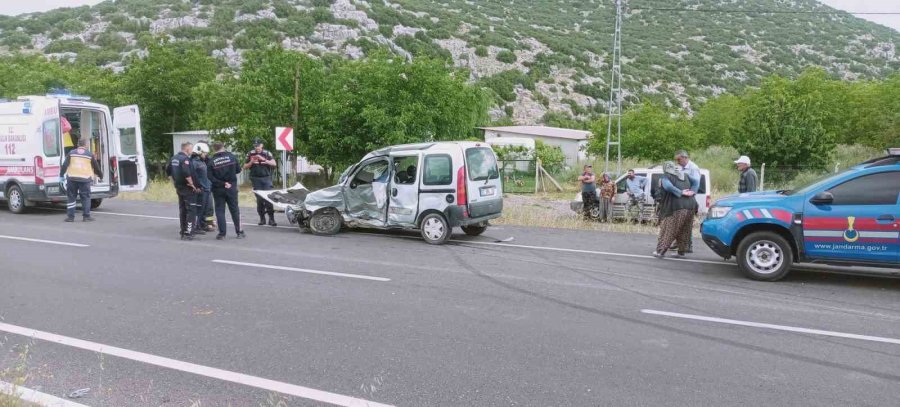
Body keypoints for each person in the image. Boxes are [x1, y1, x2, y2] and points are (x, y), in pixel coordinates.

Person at [653, 161, 699, 258]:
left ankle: (660, 251)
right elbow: (697, 182)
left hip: (675, 207)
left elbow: (668, 186)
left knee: (668, 229)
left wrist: (680, 192)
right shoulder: (685, 175)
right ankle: (681, 252)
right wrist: (693, 191)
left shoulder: (666, 176)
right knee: (684, 230)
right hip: (691, 206)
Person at [209, 142, 246, 240]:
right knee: (235, 210)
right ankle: (240, 232)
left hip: (218, 189)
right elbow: (238, 170)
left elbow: (210, 177)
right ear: (223, 147)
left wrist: (222, 183)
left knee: (220, 211)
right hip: (231, 187)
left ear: (214, 149)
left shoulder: (211, 161)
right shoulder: (232, 157)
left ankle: (222, 234)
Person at [59, 138, 101, 222]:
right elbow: (96, 167)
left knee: (71, 197)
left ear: (78, 144)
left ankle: (70, 217)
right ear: (86, 145)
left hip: (72, 178)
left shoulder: (71, 153)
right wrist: (100, 175)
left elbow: (64, 165)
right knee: (85, 197)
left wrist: (61, 175)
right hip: (85, 179)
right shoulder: (89, 155)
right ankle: (86, 216)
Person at [167, 142, 200, 240]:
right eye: (191, 149)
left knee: (182, 210)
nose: (192, 151)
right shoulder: (185, 159)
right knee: (191, 210)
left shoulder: (174, 158)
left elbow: (168, 172)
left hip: (179, 187)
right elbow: (186, 173)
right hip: (187, 188)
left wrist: (174, 182)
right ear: (187, 149)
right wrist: (193, 185)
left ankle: (183, 231)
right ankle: (189, 233)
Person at [244, 140, 277, 226]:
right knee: (260, 200)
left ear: (262, 145)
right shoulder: (250, 153)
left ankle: (271, 219)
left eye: (258, 146)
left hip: (266, 178)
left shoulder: (267, 153)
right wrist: (251, 161)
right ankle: (262, 218)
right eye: (255, 146)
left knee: (268, 199)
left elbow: (274, 164)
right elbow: (245, 167)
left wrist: (264, 159)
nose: (257, 148)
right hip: (256, 179)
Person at [674, 150, 701, 252]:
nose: (677, 162)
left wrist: (691, 193)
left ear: (685, 158)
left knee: (687, 224)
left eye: (679, 159)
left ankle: (688, 246)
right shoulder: (682, 167)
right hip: (683, 197)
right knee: (683, 223)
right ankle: (681, 244)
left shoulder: (693, 168)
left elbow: (696, 182)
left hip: (689, 199)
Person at [190, 142, 212, 235]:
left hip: (206, 189)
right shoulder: (194, 162)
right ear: (199, 152)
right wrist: (196, 186)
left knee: (204, 209)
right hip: (201, 190)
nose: (206, 155)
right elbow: (191, 175)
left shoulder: (202, 161)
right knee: (199, 210)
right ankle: (196, 227)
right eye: (204, 153)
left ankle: (202, 224)